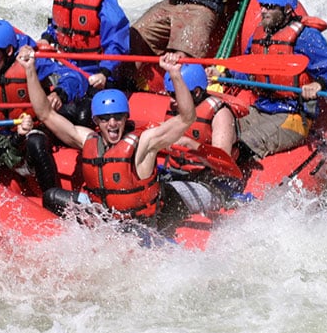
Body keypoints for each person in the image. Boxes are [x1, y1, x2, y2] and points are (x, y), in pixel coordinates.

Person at [17, 47, 225, 232]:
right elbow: (45, 113)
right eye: (106, 119)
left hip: (139, 226)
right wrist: (29, 69)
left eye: (118, 117)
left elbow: (187, 117)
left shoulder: (144, 144)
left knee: (179, 198)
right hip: (105, 218)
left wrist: (174, 74)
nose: (113, 123)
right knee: (51, 196)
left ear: (127, 118)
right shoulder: (88, 140)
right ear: (96, 121)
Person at [214, 0, 327, 159]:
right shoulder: (261, 33)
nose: (263, 11)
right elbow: (251, 71)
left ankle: (220, 178)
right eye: (262, 6)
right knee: (217, 122)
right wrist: (225, 74)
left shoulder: (306, 38)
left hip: (292, 116)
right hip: (260, 109)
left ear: (287, 9)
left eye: (270, 7)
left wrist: (319, 85)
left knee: (242, 144)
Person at [0, 19, 88, 194]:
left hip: (32, 129)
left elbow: (73, 76)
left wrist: (60, 93)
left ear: (8, 51)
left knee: (36, 142)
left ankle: (53, 198)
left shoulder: (32, 63)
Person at [160, 63, 247, 175]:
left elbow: (222, 163)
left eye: (175, 94)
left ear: (196, 92)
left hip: (211, 181)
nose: (171, 100)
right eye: (169, 94)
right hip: (175, 171)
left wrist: (190, 144)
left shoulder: (220, 114)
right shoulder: (174, 107)